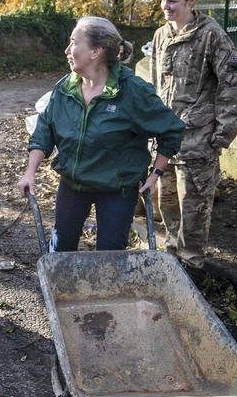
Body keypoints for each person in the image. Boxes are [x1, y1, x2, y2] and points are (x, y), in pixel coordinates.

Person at [18, 16, 184, 252]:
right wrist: (29, 172)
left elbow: (171, 130)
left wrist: (155, 173)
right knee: (61, 249)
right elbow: (44, 130)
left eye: (74, 43)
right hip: (73, 185)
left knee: (111, 255)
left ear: (95, 51)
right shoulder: (65, 88)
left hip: (117, 189)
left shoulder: (133, 92)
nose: (67, 50)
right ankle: (64, 289)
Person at [148, 0, 237, 269]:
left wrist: (221, 137)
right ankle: (171, 261)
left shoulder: (212, 35)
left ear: (192, 0)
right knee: (167, 204)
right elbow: (155, 86)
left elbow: (233, 86)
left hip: (198, 141)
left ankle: (192, 266)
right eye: (164, 1)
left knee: (194, 209)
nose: (167, 7)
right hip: (166, 140)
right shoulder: (160, 35)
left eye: (174, 1)